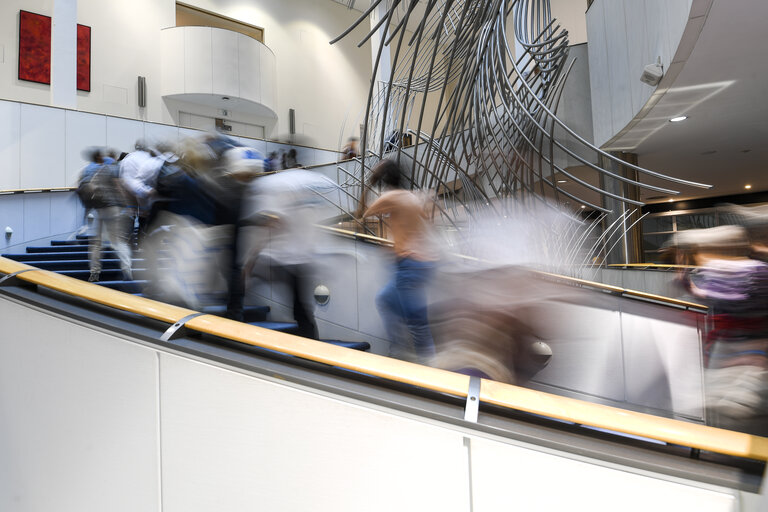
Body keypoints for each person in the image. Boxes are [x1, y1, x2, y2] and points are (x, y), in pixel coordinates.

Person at [362, 159, 439, 363]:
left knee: (417, 324)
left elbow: (361, 213)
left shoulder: (391, 197)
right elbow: (427, 221)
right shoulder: (410, 197)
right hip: (424, 264)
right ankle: (397, 352)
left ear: (383, 179)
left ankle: (431, 376)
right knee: (385, 300)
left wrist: (370, 181)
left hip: (409, 265)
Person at [79, 149, 133, 282]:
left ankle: (94, 272)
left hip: (99, 208)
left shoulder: (92, 170)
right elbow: (119, 186)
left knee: (97, 243)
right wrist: (127, 204)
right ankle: (126, 270)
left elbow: (85, 189)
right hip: (113, 208)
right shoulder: (113, 168)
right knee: (117, 240)